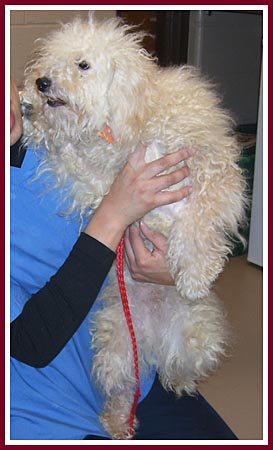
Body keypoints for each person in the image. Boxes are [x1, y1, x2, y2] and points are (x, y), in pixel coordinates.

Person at [10, 78, 237, 440]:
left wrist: (177, 268)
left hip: (135, 361)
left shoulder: (62, 108)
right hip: (39, 394)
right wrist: (114, 212)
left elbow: (194, 197)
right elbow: (30, 344)